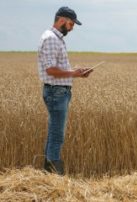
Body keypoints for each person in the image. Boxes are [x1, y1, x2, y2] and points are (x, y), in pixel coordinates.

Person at [37, 6, 93, 175]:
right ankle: (55, 178)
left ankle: (47, 176)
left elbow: (57, 68)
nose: (72, 27)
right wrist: (73, 74)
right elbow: (50, 70)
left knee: (54, 133)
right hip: (56, 92)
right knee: (57, 136)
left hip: (58, 91)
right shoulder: (52, 39)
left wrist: (77, 74)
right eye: (71, 23)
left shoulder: (55, 38)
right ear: (61, 20)